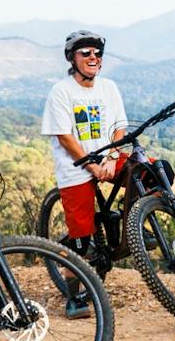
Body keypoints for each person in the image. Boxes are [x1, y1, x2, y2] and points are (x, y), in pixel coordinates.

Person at [40, 29, 128, 318]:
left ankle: (137, 229)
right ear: (72, 58)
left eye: (97, 52)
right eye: (85, 52)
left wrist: (113, 157)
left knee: (151, 170)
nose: (93, 57)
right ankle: (74, 295)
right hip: (76, 167)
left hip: (108, 159)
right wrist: (91, 166)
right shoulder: (61, 92)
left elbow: (119, 128)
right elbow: (65, 138)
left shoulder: (109, 88)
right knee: (81, 237)